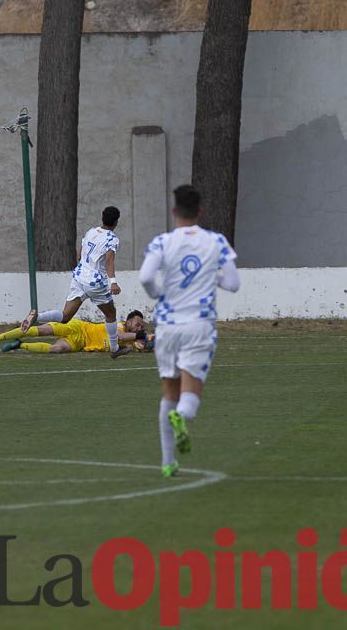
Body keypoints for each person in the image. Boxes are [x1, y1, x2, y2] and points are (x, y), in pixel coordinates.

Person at [139, 185, 240, 478]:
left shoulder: (162, 242)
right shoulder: (216, 242)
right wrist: (212, 277)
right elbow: (233, 283)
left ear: (174, 212)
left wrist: (158, 291)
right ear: (200, 211)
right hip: (199, 324)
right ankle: (182, 418)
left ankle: (168, 462)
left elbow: (146, 276)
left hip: (168, 326)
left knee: (168, 391)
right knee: (190, 393)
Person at [18, 206, 129, 358]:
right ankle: (115, 348)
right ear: (117, 221)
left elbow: (79, 254)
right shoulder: (112, 239)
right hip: (95, 283)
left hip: (79, 277)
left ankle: (37, 317)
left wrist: (83, 267)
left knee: (65, 316)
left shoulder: (91, 231)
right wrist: (113, 282)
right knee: (111, 314)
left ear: (102, 217)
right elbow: (109, 260)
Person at [0, 310, 151, 355]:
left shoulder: (131, 340)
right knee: (37, 331)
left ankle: (20, 345)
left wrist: (150, 342)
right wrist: (141, 336)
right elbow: (120, 336)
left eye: (140, 327)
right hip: (78, 327)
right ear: (128, 321)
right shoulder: (119, 326)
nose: (139, 328)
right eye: (137, 324)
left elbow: (142, 347)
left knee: (56, 349)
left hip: (81, 344)